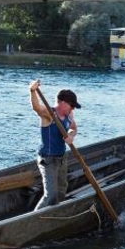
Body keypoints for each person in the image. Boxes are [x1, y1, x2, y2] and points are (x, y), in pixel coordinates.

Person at [29, 80, 80, 211]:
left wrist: (71, 135)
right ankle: (33, 221)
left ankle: (57, 214)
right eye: (72, 105)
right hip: (48, 159)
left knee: (62, 190)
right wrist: (32, 91)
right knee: (50, 195)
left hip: (62, 158)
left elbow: (73, 128)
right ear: (62, 103)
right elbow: (36, 108)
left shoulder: (69, 115)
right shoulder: (49, 114)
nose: (73, 108)